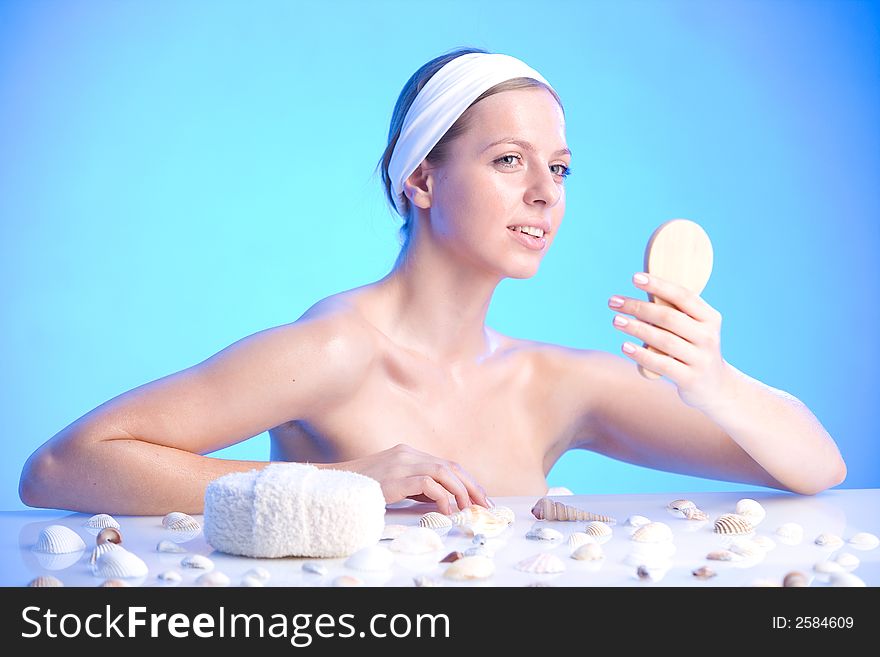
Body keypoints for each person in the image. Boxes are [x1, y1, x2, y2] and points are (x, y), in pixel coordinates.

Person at [20, 47, 845, 516]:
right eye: (508, 160)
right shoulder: (336, 349)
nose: (545, 193)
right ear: (420, 178)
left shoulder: (552, 384)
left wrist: (713, 380)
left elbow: (816, 468)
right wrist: (336, 488)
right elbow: (62, 467)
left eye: (559, 167)